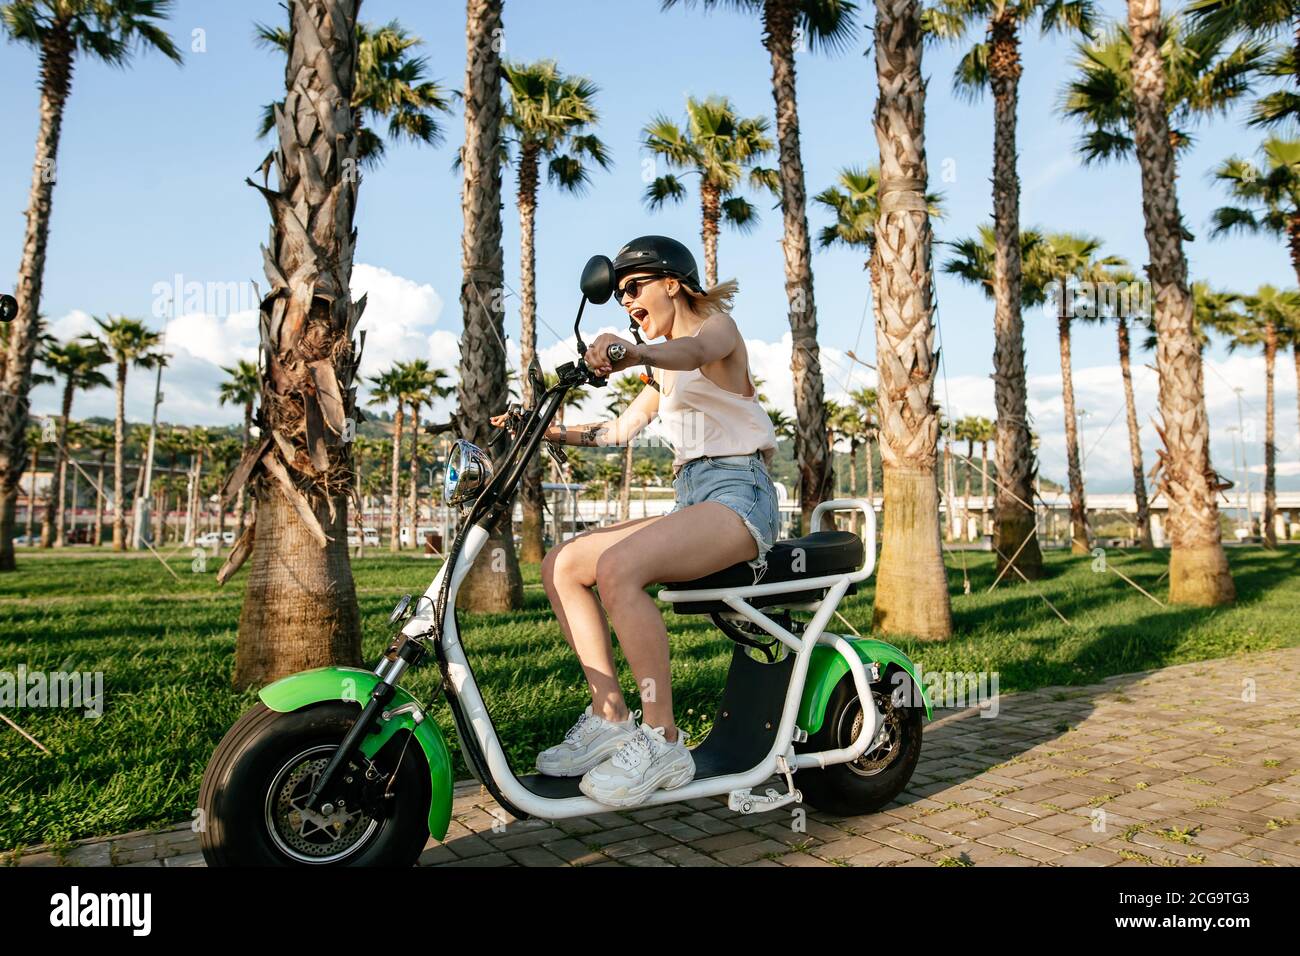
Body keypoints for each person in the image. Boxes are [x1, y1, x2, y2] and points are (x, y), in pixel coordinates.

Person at [531, 235, 780, 807]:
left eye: (634, 287)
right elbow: (618, 430)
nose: (626, 302)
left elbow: (689, 354)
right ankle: (609, 717)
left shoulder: (716, 331)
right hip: (692, 498)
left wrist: (633, 352)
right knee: (563, 565)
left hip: (739, 494)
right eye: (619, 294)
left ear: (672, 282)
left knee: (618, 569)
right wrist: (548, 430)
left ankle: (664, 739)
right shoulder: (660, 371)